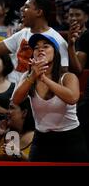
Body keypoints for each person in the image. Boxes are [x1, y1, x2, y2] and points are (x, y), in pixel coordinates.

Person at [12, 34, 88, 162]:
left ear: (56, 53)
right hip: (41, 139)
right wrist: (32, 77)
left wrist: (44, 79)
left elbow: (73, 98)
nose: (40, 49)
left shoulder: (68, 76)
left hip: (70, 139)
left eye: (46, 46)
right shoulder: (28, 77)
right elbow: (16, 100)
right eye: (36, 48)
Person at [0, 0, 69, 84]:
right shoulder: (22, 33)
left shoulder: (58, 40)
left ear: (39, 12)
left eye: (26, 7)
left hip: (37, 94)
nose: (22, 9)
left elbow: (63, 72)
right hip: (14, 90)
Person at [68, 1, 89, 74]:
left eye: (77, 15)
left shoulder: (86, 36)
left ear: (86, 17)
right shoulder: (71, 36)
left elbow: (77, 70)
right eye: (71, 15)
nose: (73, 18)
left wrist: (70, 45)